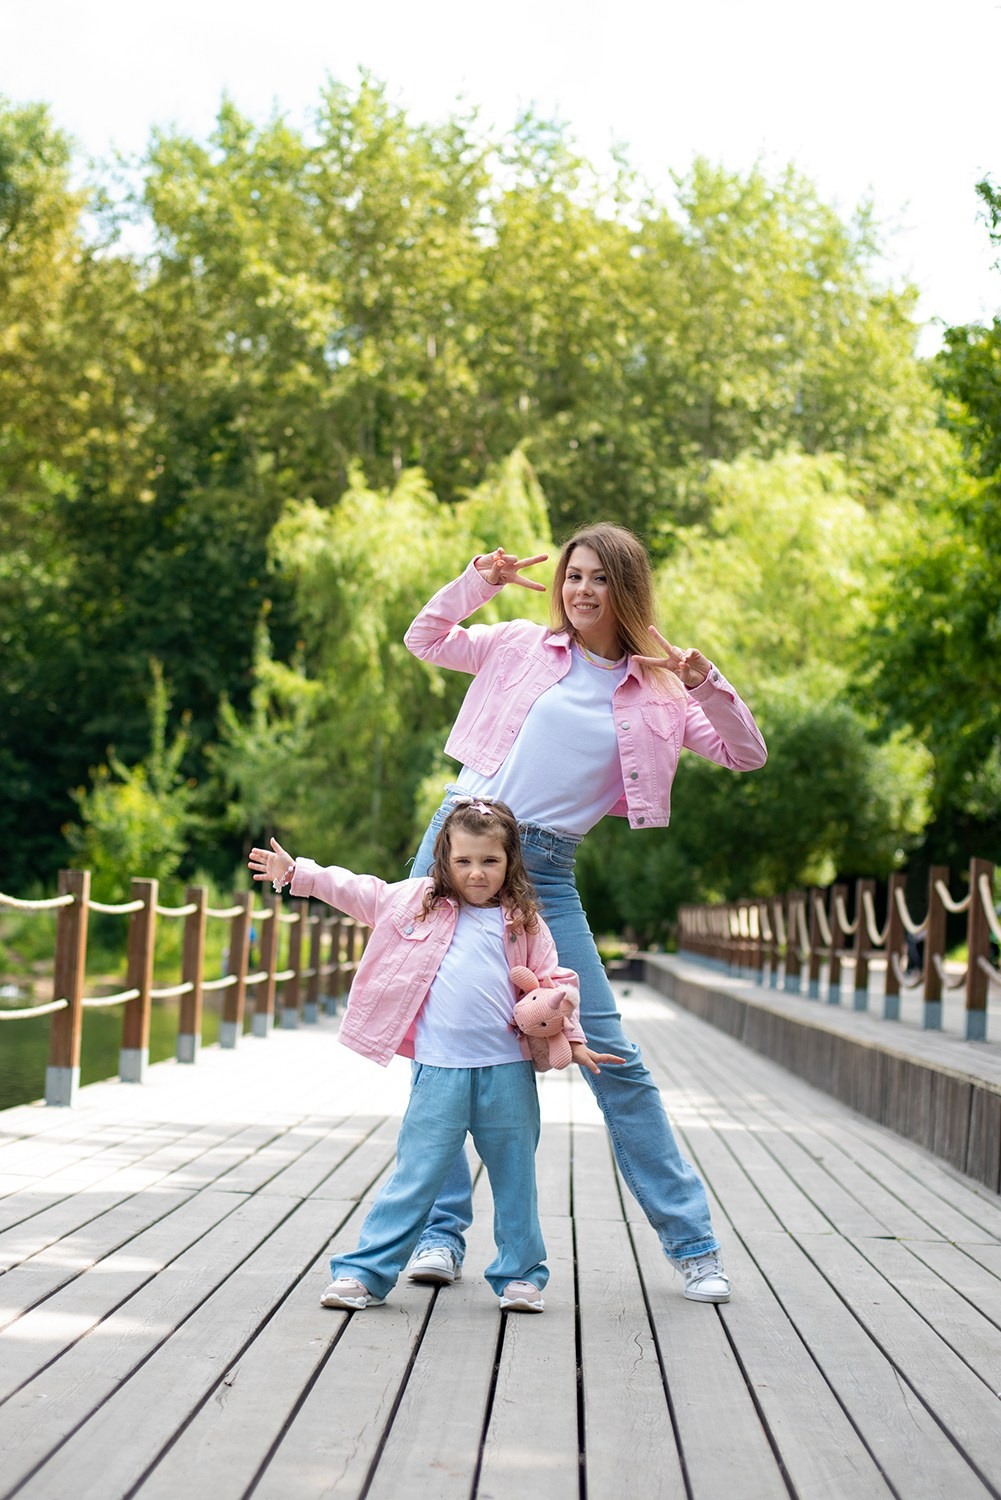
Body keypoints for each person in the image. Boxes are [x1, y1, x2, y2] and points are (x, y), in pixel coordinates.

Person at [402, 523, 768, 1304]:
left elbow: (745, 754)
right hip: (457, 846)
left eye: (598, 578)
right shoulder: (515, 646)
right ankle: (438, 1233)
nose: (580, 590)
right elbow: (425, 637)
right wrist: (479, 579)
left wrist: (708, 683)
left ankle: (693, 1243)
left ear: (625, 589)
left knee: (610, 1055)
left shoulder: (660, 693)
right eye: (573, 575)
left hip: (546, 871)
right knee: (443, 1049)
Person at [248, 799, 621, 1314]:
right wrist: (300, 874)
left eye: (490, 861)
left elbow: (555, 983)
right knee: (416, 1174)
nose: (476, 873)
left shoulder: (524, 921)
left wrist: (573, 1038)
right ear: (444, 858)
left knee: (515, 1176)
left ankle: (520, 1275)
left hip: (507, 1074)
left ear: (510, 861)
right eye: (463, 861)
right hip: (439, 1070)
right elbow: (361, 890)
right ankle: (365, 1271)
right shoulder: (415, 902)